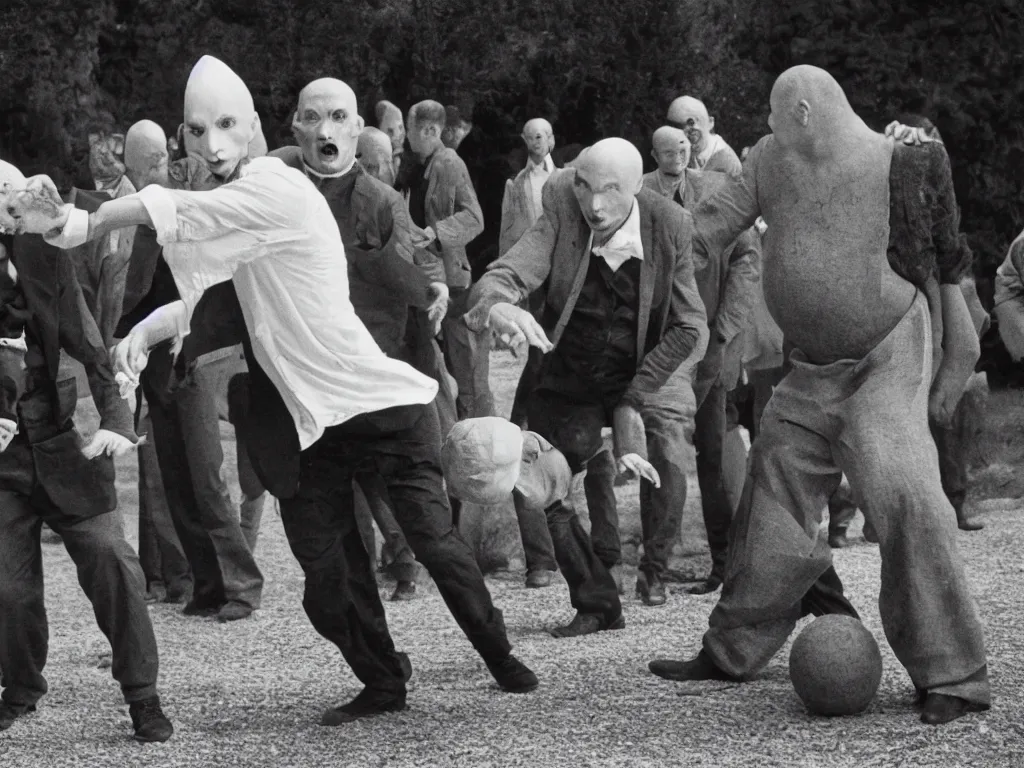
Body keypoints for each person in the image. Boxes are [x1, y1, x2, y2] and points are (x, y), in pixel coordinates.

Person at [16, 56, 538, 724]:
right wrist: (143, 334)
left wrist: (85, 223)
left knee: (434, 544)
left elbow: (173, 206)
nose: (212, 146)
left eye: (228, 126)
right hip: (308, 424)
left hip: (382, 407)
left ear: (259, 129)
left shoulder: (276, 187)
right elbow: (202, 295)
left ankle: (499, 654)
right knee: (325, 581)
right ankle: (384, 681)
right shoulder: (240, 207)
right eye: (199, 132)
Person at [646, 65, 990, 727]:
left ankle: (954, 674)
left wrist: (955, 361)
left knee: (906, 494)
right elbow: (708, 225)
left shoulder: (900, 163)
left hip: (886, 358)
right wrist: (635, 231)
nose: (768, 129)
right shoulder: (770, 159)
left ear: (804, 111)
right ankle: (733, 647)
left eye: (777, 116)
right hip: (809, 373)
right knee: (771, 490)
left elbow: (949, 257)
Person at [464, 138, 709, 636]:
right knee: (540, 477)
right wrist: (499, 305)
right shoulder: (561, 202)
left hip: (642, 370)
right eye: (584, 186)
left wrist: (633, 401)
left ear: (638, 188)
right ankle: (597, 600)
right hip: (569, 366)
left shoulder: (671, 224)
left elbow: (689, 327)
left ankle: (656, 571)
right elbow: (510, 271)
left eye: (610, 191)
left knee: (667, 451)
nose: (594, 205)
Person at [0, 161, 173, 742]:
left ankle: (143, 697)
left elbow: (93, 349)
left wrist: (117, 421)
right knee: (8, 588)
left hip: (61, 444)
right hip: (2, 465)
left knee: (112, 561)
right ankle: (20, 688)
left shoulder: (47, 259)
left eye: (10, 199)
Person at [117, 114, 266, 624]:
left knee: (204, 475)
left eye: (160, 160)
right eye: (145, 165)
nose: (155, 171)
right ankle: (206, 586)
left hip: (197, 355)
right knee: (175, 481)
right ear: (132, 169)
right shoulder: (142, 215)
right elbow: (133, 292)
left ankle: (242, 586)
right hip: (159, 361)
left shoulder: (195, 189)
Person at [638, 125, 761, 596]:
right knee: (663, 455)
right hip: (662, 349)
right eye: (668, 146)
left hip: (712, 345)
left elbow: (748, 259)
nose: (679, 151)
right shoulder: (641, 193)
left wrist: (726, 330)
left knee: (714, 454)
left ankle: (727, 566)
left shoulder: (716, 188)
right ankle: (655, 570)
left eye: (685, 145)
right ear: (655, 153)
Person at [405, 100, 495, 420]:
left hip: (453, 280)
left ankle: (479, 435)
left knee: (465, 367)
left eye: (409, 128)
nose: (406, 136)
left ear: (429, 130)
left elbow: (474, 217)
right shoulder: (422, 166)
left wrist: (435, 232)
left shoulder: (449, 163)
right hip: (430, 279)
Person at [666, 96, 742, 175]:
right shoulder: (682, 153)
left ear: (710, 122)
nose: (685, 133)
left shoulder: (727, 163)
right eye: (678, 127)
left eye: (691, 123)